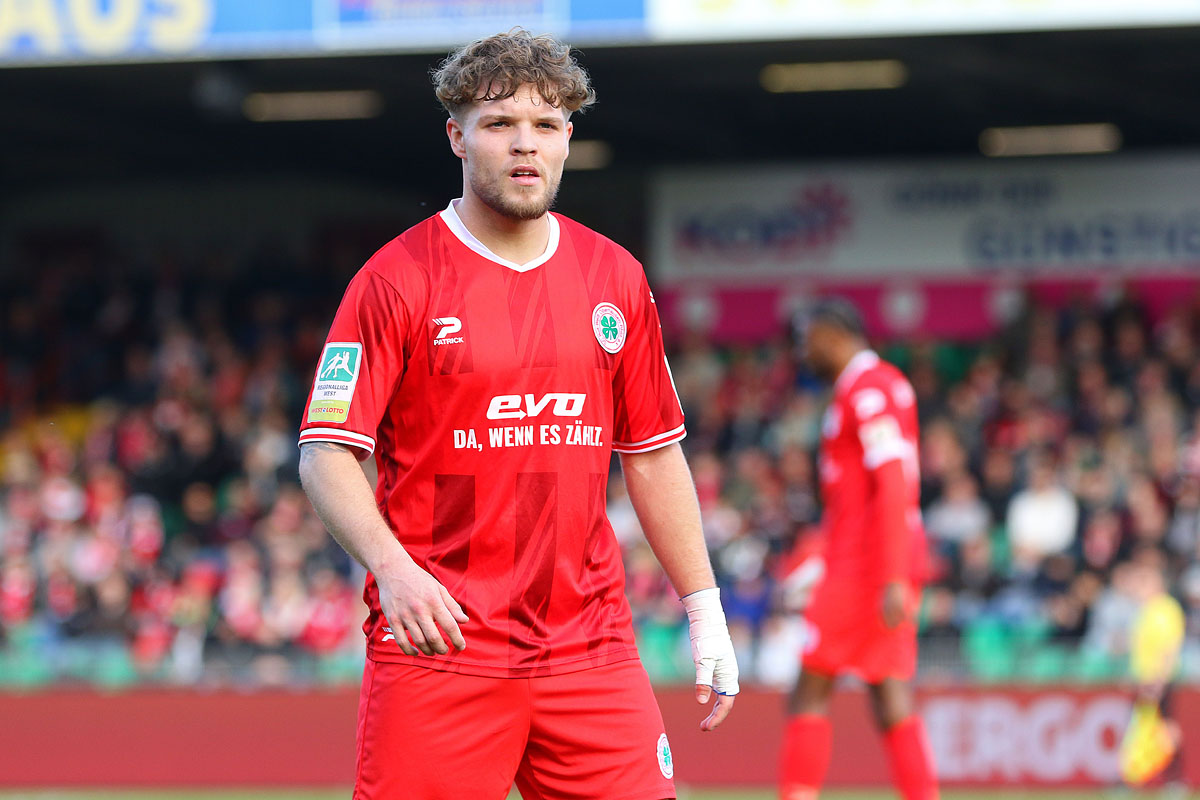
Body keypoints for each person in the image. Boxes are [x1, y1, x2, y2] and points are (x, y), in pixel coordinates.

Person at [296, 29, 738, 800]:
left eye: (545, 124)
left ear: (567, 138)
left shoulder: (614, 276)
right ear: (457, 137)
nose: (524, 143)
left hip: (589, 648)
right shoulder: (394, 280)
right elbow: (326, 452)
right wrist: (393, 570)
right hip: (440, 645)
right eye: (499, 124)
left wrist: (705, 609)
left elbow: (652, 453)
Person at [778, 299, 937, 800]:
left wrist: (892, 576)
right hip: (870, 559)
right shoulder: (866, 387)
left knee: (810, 688)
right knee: (887, 691)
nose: (804, 353)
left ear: (832, 334)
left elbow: (892, 482)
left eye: (808, 341)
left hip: (865, 565)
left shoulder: (869, 388)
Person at [1119, 548, 1185, 788]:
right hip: (1145, 678)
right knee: (1145, 728)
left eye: (1144, 581)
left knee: (1164, 729)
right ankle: (1137, 776)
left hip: (1158, 680)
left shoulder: (1165, 609)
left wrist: (1159, 679)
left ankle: (1173, 777)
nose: (1139, 587)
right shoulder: (1146, 610)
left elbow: (1170, 648)